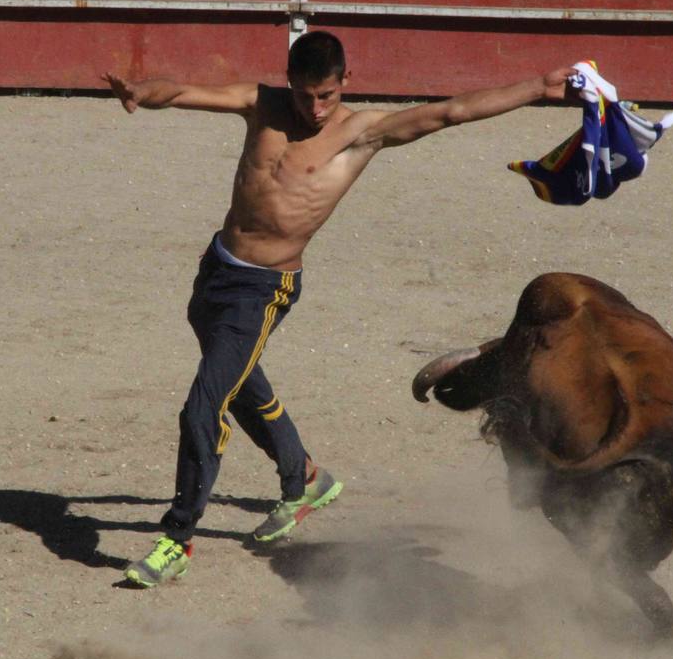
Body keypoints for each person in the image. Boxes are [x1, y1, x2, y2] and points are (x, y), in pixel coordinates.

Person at [105, 31, 573, 588]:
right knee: (236, 375)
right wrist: (141, 91)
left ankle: (177, 540)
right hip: (217, 269)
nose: (316, 108)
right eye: (306, 95)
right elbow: (183, 92)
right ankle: (304, 476)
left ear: (345, 82)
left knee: (204, 405)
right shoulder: (263, 105)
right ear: (289, 83)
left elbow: (453, 111)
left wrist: (540, 88)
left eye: (327, 94)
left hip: (264, 288)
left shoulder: (362, 134)